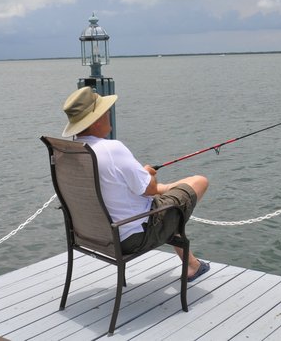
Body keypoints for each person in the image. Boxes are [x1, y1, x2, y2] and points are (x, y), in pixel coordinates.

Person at [61, 86, 210, 282]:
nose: (109, 114)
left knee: (166, 195)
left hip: (92, 237)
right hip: (132, 238)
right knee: (199, 182)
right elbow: (150, 189)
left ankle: (191, 264)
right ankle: (191, 264)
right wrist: (148, 175)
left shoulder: (68, 154)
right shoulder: (111, 149)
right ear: (96, 121)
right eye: (105, 111)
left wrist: (146, 179)